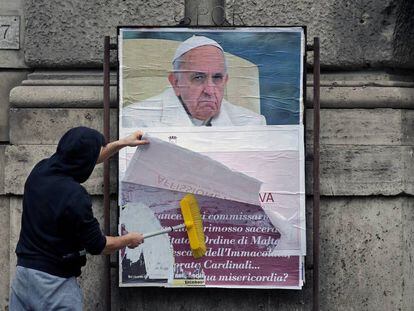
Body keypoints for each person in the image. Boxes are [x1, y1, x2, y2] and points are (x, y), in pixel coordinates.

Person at [9, 127, 149, 311]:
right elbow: (98, 245)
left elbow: (88, 158)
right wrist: (128, 240)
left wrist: (122, 142)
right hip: (55, 285)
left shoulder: (40, 170)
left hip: (23, 277)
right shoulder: (75, 197)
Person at [122, 35, 267, 127]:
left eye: (217, 78)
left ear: (226, 80)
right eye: (198, 77)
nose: (210, 91)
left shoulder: (251, 124)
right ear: (175, 82)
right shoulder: (135, 120)